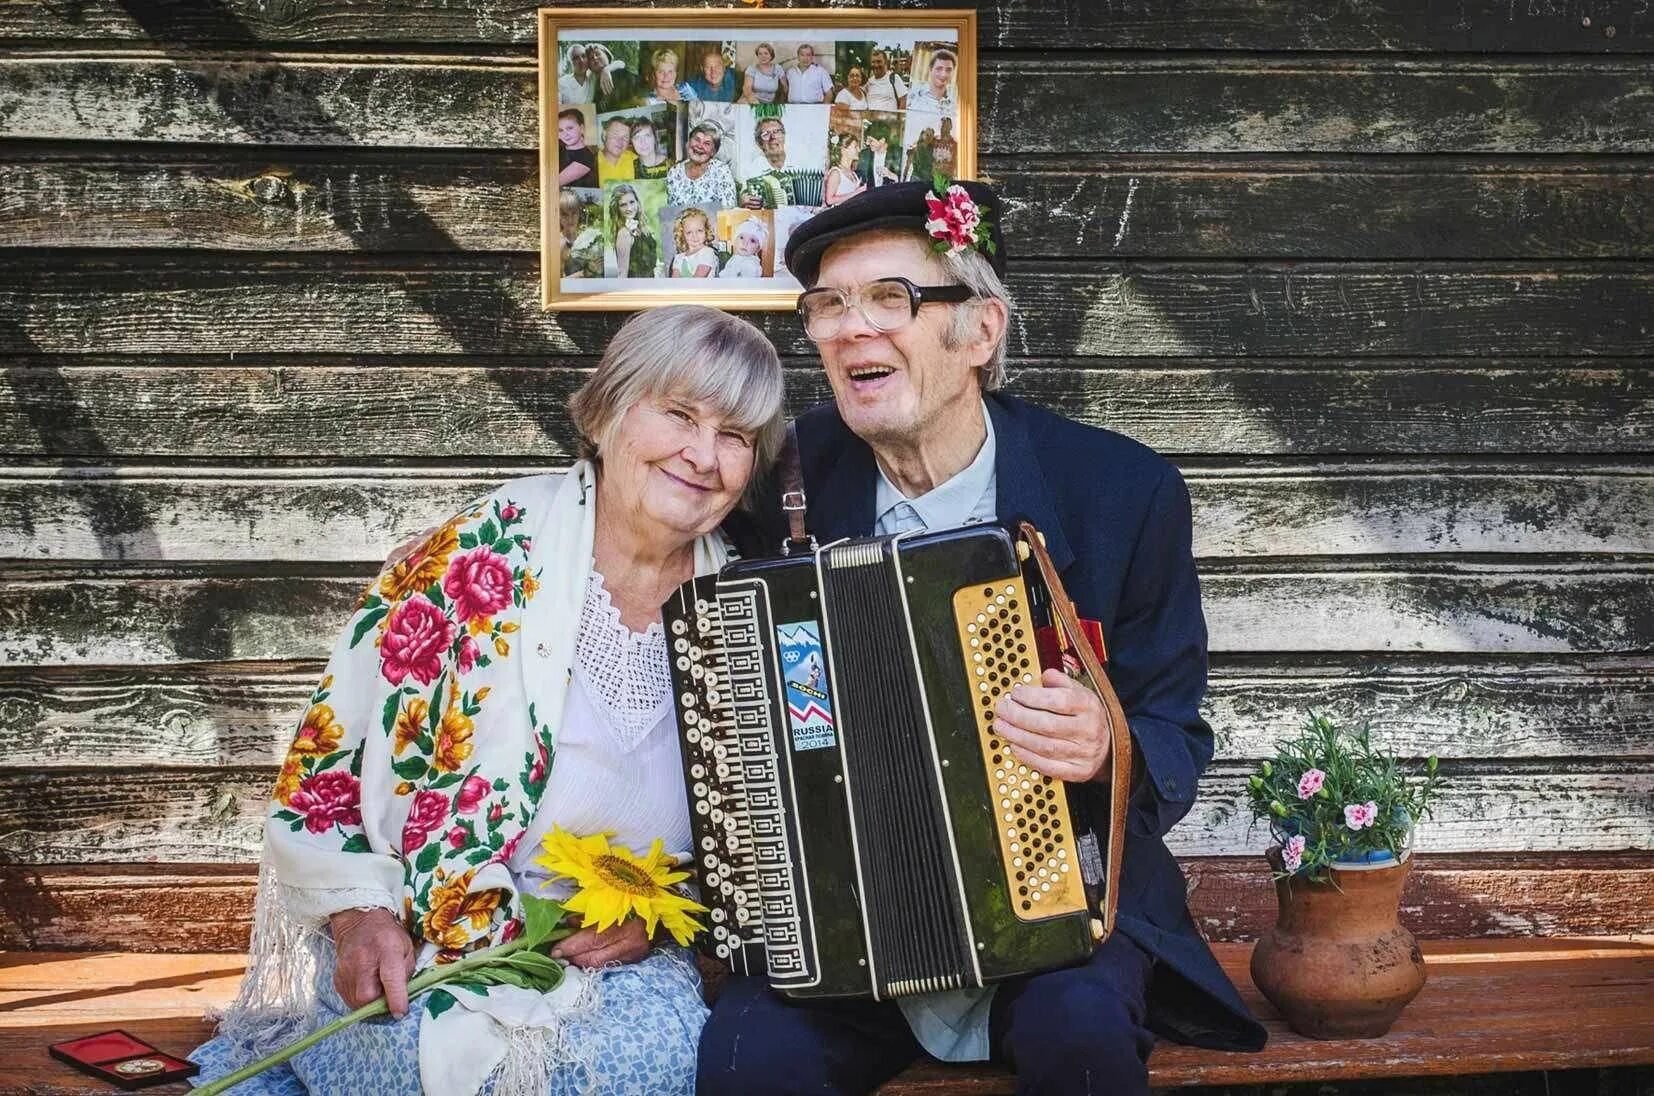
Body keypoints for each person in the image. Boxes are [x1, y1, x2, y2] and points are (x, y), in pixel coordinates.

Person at [698, 181, 1268, 1095]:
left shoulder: (1121, 490)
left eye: (892, 299)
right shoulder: (779, 481)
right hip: (849, 910)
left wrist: (1105, 742)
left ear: (980, 332)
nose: (849, 330)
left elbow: (1175, 725)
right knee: (746, 1058)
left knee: (1078, 1035)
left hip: (1061, 908)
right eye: (828, 306)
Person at [190, 304, 785, 1096]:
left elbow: (768, 828)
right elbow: (332, 756)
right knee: (410, 1066)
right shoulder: (477, 556)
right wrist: (358, 917)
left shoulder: (748, 601)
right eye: (679, 414)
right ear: (609, 410)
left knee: (639, 1067)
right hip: (427, 930)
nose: (702, 454)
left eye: (735, 436)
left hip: (613, 959)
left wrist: (658, 915)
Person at [665, 121, 736, 208]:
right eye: (697, 139)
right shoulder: (674, 172)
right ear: (688, 143)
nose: (700, 146)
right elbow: (670, 212)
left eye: (707, 143)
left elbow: (729, 209)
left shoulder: (721, 171)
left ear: (713, 152)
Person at [609, 183, 658, 278]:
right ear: (617, 209)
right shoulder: (624, 233)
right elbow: (622, 274)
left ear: (637, 202)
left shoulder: (642, 227)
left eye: (632, 202)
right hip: (637, 288)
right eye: (623, 205)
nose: (629, 208)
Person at [558, 189, 603, 278]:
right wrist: (586, 272)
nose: (570, 220)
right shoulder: (560, 243)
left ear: (579, 213)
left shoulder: (587, 238)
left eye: (574, 213)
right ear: (558, 215)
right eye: (564, 215)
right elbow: (558, 284)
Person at [906, 48, 957, 121]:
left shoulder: (955, 104)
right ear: (930, 69)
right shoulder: (913, 97)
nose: (943, 74)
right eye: (939, 69)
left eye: (948, 70)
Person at [669, 207, 718, 278]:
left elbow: (697, 280)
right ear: (682, 235)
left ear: (706, 231)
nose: (695, 236)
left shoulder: (707, 252)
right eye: (689, 232)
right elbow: (675, 283)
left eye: (699, 231)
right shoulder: (678, 258)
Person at [555, 108, 596, 188]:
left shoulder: (586, 158)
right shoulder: (559, 148)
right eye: (560, 130)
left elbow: (554, 183)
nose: (565, 134)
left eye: (569, 128)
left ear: (581, 128)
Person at [823, 134, 865, 207]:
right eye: (855, 147)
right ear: (843, 150)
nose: (859, 150)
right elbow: (829, 200)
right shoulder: (836, 172)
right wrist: (857, 192)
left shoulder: (853, 173)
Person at [596, 116, 637, 184]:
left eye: (625, 137)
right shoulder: (592, 163)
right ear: (604, 135)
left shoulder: (635, 159)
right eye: (615, 134)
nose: (620, 141)